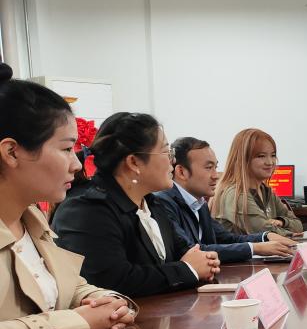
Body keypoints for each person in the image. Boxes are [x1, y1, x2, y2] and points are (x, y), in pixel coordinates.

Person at [0, 64, 136, 329]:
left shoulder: (31, 221)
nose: (76, 164)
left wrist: (108, 303)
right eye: (66, 149)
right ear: (11, 152)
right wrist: (76, 324)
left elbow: (67, 287)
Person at [52, 112, 220, 297]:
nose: (172, 160)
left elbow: (187, 251)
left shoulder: (152, 203)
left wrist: (203, 261)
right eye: (166, 152)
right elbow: (113, 281)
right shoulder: (86, 210)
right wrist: (188, 270)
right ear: (133, 162)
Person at [154, 137, 297, 264]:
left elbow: (227, 239)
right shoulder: (163, 203)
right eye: (208, 168)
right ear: (181, 172)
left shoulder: (199, 204)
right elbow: (192, 251)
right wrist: (256, 248)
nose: (215, 175)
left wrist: (265, 237)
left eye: (215, 167)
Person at [210, 129, 303, 237]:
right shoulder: (235, 194)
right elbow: (265, 233)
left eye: (273, 155)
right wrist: (290, 233)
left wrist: (282, 221)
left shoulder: (266, 191)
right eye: (261, 156)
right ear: (243, 159)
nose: (270, 162)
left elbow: (298, 225)